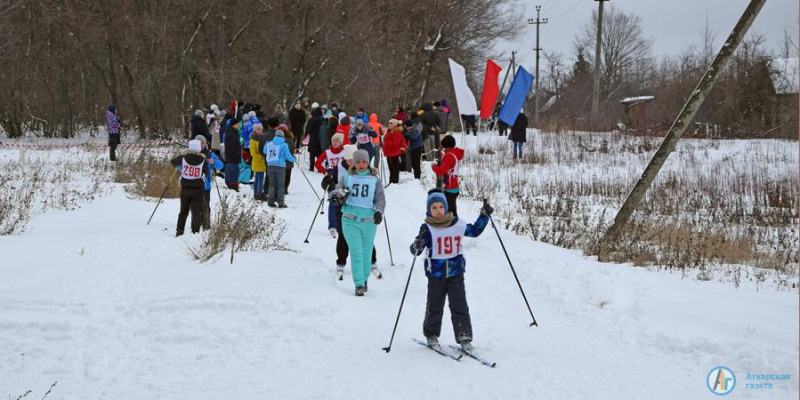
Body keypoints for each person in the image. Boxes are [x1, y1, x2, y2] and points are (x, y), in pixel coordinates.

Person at [410, 190, 494, 350]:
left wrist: (484, 216)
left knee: (459, 305)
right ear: (429, 210)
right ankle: (431, 334)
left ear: (446, 207)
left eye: (441, 206)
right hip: (436, 275)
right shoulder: (427, 228)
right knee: (435, 305)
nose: (438, 210)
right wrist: (417, 245)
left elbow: (474, 231)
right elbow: (416, 250)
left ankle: (464, 336)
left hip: (456, 273)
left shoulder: (457, 224)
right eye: (434, 207)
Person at [330, 149, 386, 296]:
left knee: (367, 253)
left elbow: (380, 198)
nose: (361, 164)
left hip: (369, 221)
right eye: (358, 162)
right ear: (354, 163)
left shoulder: (375, 179)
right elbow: (337, 192)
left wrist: (379, 211)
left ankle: (365, 278)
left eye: (364, 161)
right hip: (350, 219)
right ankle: (359, 284)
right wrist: (338, 196)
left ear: (368, 163)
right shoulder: (348, 177)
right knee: (356, 252)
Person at [171, 140, 209, 236]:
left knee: (183, 211)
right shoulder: (203, 160)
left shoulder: (183, 158)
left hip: (185, 189)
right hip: (198, 190)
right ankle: (195, 232)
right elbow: (207, 172)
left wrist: (182, 166)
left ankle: (179, 231)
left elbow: (173, 162)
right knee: (196, 211)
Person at [315, 134, 347, 237]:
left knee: (344, 202)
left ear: (340, 142)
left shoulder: (345, 151)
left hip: (343, 179)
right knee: (333, 203)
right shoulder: (327, 152)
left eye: (337, 141)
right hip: (332, 180)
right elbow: (317, 163)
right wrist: (325, 172)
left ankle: (344, 224)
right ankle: (332, 226)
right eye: (333, 140)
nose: (335, 142)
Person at [431, 135, 464, 217]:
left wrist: (433, 166)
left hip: (449, 188)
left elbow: (441, 171)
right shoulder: (454, 153)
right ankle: (454, 225)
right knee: (451, 209)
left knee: (450, 212)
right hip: (454, 186)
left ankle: (454, 226)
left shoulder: (449, 156)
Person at [195, 135, 222, 228]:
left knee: (206, 205)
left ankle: (206, 225)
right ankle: (196, 224)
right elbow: (181, 167)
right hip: (194, 185)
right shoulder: (192, 154)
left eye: (202, 143)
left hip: (206, 185)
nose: (201, 145)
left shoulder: (210, 154)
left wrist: (213, 162)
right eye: (199, 143)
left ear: (205, 143)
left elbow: (220, 166)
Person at [264, 129, 296, 207]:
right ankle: (280, 202)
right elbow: (288, 156)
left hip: (270, 165)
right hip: (280, 167)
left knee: (272, 184)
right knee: (280, 184)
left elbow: (265, 151)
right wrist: (294, 158)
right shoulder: (284, 145)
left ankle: (270, 201)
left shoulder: (269, 143)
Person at [382, 119, 406, 185]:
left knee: (395, 169)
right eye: (389, 123)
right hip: (389, 153)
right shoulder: (389, 131)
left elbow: (396, 143)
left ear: (395, 125)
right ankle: (391, 182)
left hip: (394, 153)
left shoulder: (397, 133)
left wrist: (385, 143)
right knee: (391, 169)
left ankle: (394, 182)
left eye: (391, 123)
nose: (389, 124)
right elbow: (386, 140)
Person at [250, 123, 268, 200]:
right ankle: (259, 194)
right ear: (255, 130)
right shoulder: (253, 139)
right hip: (258, 161)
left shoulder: (263, 138)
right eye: (258, 129)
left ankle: (256, 193)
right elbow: (253, 152)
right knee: (259, 178)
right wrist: (261, 157)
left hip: (262, 161)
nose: (260, 130)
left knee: (258, 178)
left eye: (261, 129)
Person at [223, 117, 242, 191]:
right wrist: (236, 156)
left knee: (234, 173)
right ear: (233, 125)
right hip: (232, 159)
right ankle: (232, 187)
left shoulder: (234, 133)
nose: (239, 125)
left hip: (233, 159)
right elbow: (231, 148)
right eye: (237, 124)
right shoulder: (231, 135)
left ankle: (234, 187)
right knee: (233, 174)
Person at [278, 124, 296, 194]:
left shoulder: (277, 139)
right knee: (288, 175)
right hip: (288, 160)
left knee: (280, 175)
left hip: (280, 160)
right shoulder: (289, 138)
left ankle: (280, 188)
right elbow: (292, 148)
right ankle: (285, 188)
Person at [306, 106, 324, 171]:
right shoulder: (323, 119)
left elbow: (309, 129)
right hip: (320, 138)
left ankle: (311, 167)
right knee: (319, 154)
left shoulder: (313, 119)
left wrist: (309, 132)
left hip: (313, 138)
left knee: (312, 154)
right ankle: (319, 168)